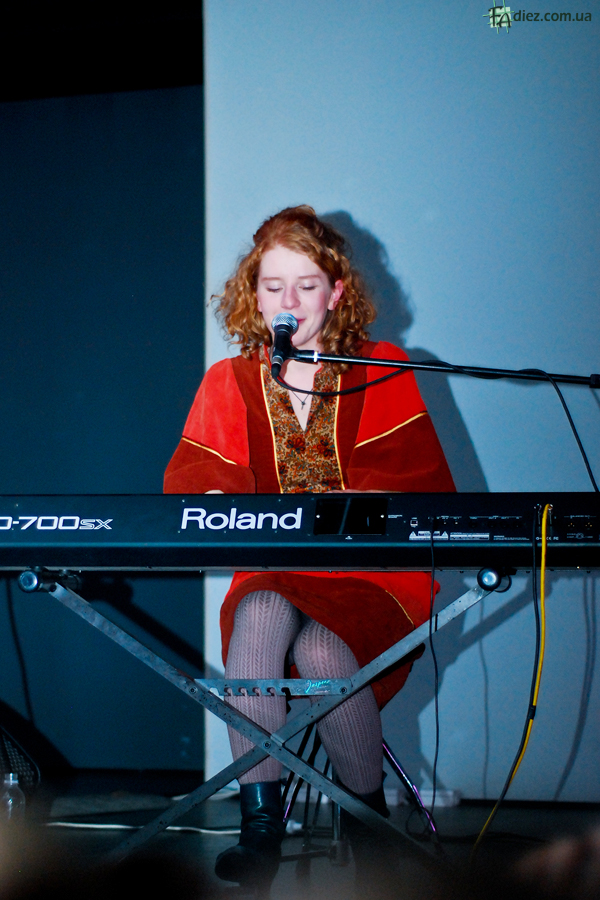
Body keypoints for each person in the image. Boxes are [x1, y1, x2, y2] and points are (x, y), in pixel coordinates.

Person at [164, 205, 455, 892]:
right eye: (273, 287)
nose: (288, 302)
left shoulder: (382, 366)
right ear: (253, 294)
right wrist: (216, 496)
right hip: (275, 566)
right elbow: (199, 479)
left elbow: (410, 479)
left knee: (326, 652)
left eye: (306, 285)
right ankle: (261, 829)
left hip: (371, 573)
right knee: (259, 612)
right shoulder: (230, 379)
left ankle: (368, 825)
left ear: (337, 292)